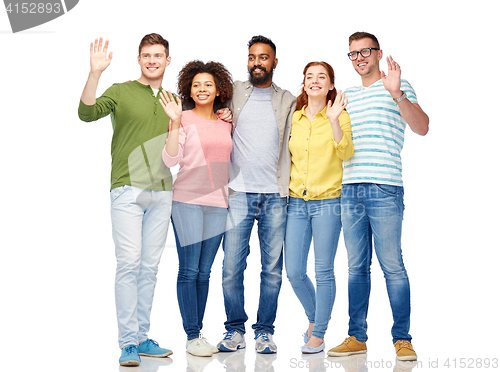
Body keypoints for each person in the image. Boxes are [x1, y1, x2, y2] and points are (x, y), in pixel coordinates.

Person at [327, 32, 429, 361]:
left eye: (365, 51)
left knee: (392, 266)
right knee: (356, 268)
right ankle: (356, 336)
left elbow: (422, 127)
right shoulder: (347, 96)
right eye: (353, 53)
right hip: (350, 188)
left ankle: (402, 338)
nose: (359, 58)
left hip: (385, 186)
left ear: (378, 53)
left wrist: (398, 94)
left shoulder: (397, 86)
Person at [78, 34, 174, 366]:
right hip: (126, 189)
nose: (152, 60)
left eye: (158, 55)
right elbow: (86, 114)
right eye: (146, 55)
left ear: (167, 61)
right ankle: (128, 342)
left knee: (149, 268)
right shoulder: (120, 91)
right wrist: (95, 73)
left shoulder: (172, 99)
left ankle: (143, 337)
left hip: (162, 192)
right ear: (139, 59)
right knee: (129, 264)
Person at [217, 35, 296, 354]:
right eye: (252, 57)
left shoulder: (289, 99)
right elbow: (200, 99)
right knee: (231, 268)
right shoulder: (234, 91)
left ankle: (264, 332)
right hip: (238, 194)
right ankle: (234, 330)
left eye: (264, 57)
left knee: (272, 270)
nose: (257, 62)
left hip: (276, 195)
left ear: (274, 62)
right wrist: (222, 114)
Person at [160, 60, 234, 357]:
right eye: (196, 85)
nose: (202, 89)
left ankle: (199, 332)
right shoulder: (183, 118)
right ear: (189, 89)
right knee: (189, 269)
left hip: (219, 204)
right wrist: (175, 122)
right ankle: (192, 336)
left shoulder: (226, 121)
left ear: (218, 90)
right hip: (187, 202)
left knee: (205, 272)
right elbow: (169, 160)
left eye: (208, 85)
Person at [285, 62, 353, 354]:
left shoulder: (340, 115)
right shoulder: (295, 117)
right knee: (294, 272)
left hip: (328, 202)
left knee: (323, 271)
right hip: (296, 203)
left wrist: (335, 120)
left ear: (330, 85)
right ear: (304, 84)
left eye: (321, 77)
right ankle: (315, 318)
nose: (315, 81)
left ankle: (319, 333)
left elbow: (347, 152)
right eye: (309, 77)